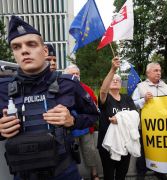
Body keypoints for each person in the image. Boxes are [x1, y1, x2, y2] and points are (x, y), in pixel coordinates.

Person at [0, 15, 99, 180]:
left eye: (31, 44)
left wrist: (72, 121)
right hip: (23, 174)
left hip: (64, 172)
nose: (24, 50)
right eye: (17, 47)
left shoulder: (69, 84)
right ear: (14, 53)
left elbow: (94, 116)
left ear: (45, 51)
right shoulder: (2, 88)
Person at [132, 62, 167, 180]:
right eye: (155, 70)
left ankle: (159, 171)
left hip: (162, 126)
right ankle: (141, 173)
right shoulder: (140, 87)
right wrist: (144, 99)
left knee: (160, 148)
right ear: (148, 73)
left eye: (160, 70)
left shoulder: (166, 87)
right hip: (146, 126)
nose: (158, 73)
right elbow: (133, 104)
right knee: (144, 149)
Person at [97, 57, 137, 180]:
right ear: (108, 83)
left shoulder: (127, 98)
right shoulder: (106, 99)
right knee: (109, 175)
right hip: (108, 145)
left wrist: (119, 119)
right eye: (112, 80)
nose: (115, 81)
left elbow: (135, 117)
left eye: (117, 80)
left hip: (125, 143)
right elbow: (103, 92)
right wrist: (113, 70)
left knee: (121, 175)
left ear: (121, 84)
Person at [64, 64, 99, 180]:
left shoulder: (86, 88)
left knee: (90, 151)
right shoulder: (62, 89)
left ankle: (94, 174)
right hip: (69, 129)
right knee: (71, 155)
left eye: (77, 74)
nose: (75, 76)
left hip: (85, 127)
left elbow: (95, 106)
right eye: (72, 74)